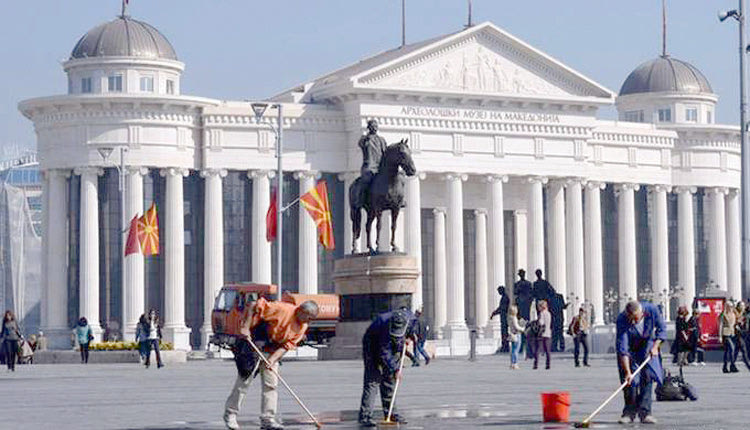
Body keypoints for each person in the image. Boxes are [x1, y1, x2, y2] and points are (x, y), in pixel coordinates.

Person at [223, 297, 319, 430]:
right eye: (309, 317)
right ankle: (230, 414)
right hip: (254, 342)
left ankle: (267, 419)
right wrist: (245, 327)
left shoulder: (303, 327)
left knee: (271, 385)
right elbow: (253, 305)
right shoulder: (281, 309)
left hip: (272, 349)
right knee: (244, 382)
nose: (309, 321)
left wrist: (272, 359)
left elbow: (287, 345)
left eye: (312, 319)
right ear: (301, 310)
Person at [358, 309, 415, 427]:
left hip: (393, 346)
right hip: (372, 345)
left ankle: (391, 413)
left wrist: (410, 337)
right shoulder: (383, 325)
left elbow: (415, 331)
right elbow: (385, 351)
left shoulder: (411, 319)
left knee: (390, 381)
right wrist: (395, 369)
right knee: (372, 381)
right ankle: (365, 416)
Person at [616, 301, 666, 424]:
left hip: (647, 344)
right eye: (630, 319)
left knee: (647, 377)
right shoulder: (622, 319)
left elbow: (661, 329)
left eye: (635, 318)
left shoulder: (652, 310)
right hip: (631, 348)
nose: (633, 321)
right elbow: (623, 348)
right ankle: (629, 413)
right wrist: (628, 372)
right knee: (630, 381)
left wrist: (655, 347)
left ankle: (645, 413)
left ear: (642, 313)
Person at [358, 119, 388, 189]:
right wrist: (366, 137)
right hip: (369, 166)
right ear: (369, 127)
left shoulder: (381, 140)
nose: (375, 128)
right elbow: (361, 144)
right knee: (366, 182)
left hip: (380, 166)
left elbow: (385, 153)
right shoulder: (365, 139)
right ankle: (362, 198)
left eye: (376, 126)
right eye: (373, 126)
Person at [513, 269, 533, 357]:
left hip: (523, 307)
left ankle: (523, 346)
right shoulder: (527, 284)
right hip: (523, 307)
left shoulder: (520, 284)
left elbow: (515, 292)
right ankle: (523, 346)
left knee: (524, 326)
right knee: (523, 326)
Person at [718, 300, 738, 373]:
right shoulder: (723, 315)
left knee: (727, 351)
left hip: (732, 333)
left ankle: (725, 366)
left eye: (731, 306)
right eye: (729, 306)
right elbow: (720, 325)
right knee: (732, 349)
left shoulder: (734, 314)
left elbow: (735, 323)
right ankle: (732, 365)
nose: (730, 308)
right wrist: (719, 336)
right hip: (725, 333)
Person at [490, 286, 510, 352]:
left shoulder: (504, 298)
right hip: (504, 316)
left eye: (499, 291)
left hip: (504, 316)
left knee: (504, 331)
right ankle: (505, 345)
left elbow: (502, 308)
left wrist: (494, 313)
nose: (498, 293)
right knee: (504, 331)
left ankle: (505, 346)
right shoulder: (504, 297)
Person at [533, 300, 552, 370]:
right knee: (548, 351)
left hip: (541, 334)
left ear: (541, 307)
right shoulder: (549, 313)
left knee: (538, 349)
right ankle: (548, 365)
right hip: (548, 333)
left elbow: (541, 323)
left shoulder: (542, 313)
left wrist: (536, 322)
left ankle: (536, 364)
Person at [507, 305, 525, 370]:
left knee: (513, 350)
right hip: (516, 334)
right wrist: (523, 329)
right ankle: (515, 363)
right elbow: (516, 326)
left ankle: (512, 363)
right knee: (516, 350)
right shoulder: (514, 318)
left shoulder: (509, 318)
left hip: (512, 334)